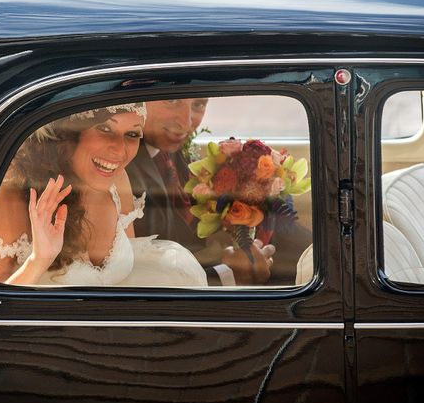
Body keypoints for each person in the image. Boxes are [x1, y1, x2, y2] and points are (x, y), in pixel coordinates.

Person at [0, 103, 207, 287]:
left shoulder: (119, 182)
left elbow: (133, 268)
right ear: (70, 134)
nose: (119, 149)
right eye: (105, 129)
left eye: (132, 134)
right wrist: (39, 261)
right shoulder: (14, 199)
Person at [126, 98, 312, 285]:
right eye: (172, 101)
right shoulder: (125, 169)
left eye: (198, 104)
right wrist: (230, 274)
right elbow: (152, 275)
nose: (187, 123)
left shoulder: (169, 146)